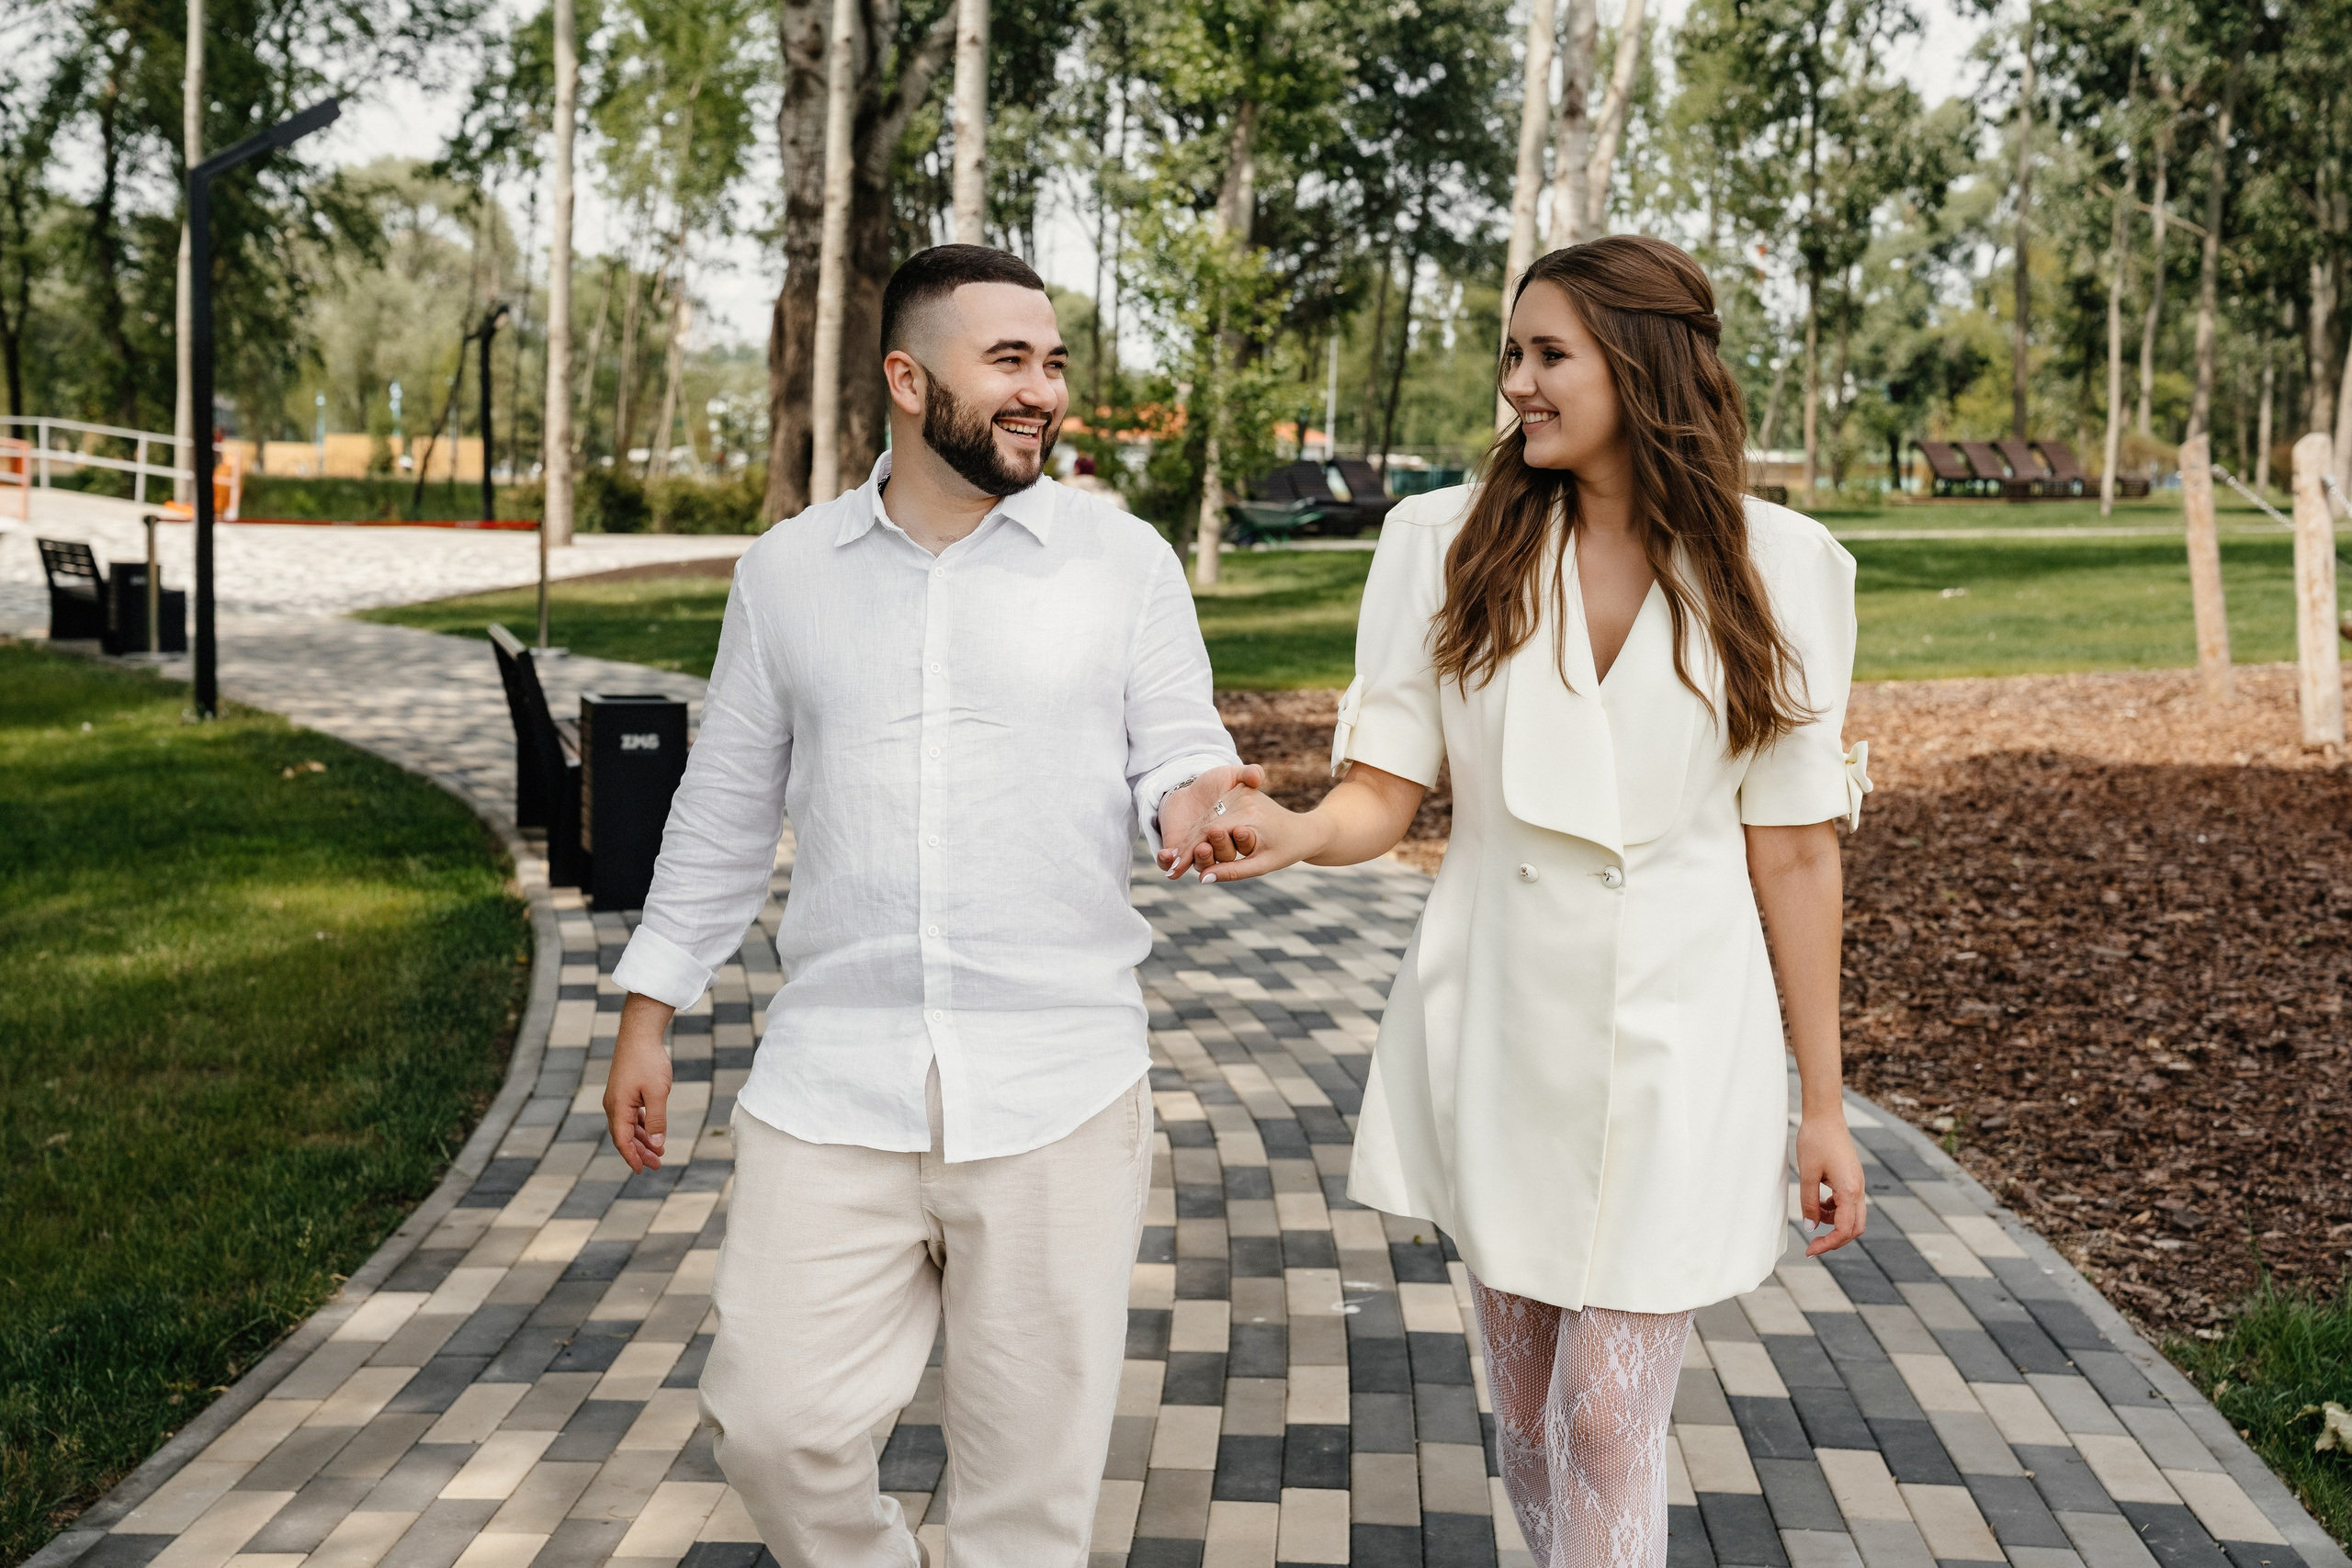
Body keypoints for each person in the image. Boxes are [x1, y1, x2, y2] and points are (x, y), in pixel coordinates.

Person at [1159, 234, 1873, 1568]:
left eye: (1550, 356)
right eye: (1513, 355)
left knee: (1611, 1429)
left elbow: (1794, 852)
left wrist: (1821, 1107)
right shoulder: (1441, 542)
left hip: (1683, 1039)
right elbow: (1384, 795)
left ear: (1642, 366)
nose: (1519, 386)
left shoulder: (1785, 566)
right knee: (1541, 1417)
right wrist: (1302, 829)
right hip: (1501, 1025)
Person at [603, 243, 1257, 1568]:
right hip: (834, 1078)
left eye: (1054, 361)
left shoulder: (1119, 565)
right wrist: (648, 1007)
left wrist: (1204, 806)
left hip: (1060, 1084)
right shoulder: (787, 575)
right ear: (907, 379)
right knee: (773, 1428)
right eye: (1007, 360)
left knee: (1027, 1503)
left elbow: (1178, 751)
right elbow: (726, 805)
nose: (1042, 391)